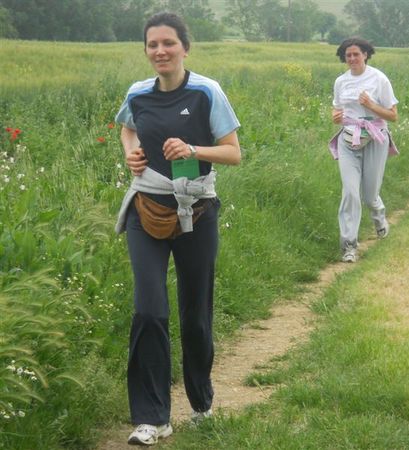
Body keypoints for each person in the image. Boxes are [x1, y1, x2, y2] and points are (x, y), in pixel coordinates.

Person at [114, 12, 241, 446]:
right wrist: (132, 154)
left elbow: (233, 153)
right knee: (149, 309)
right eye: (152, 45)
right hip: (145, 208)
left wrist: (192, 148)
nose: (160, 51)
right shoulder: (138, 93)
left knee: (196, 315)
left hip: (197, 211)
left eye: (168, 43)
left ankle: (201, 401)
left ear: (185, 47)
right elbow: (128, 128)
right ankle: (152, 418)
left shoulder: (207, 91)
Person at [328, 37, 399, 263]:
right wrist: (336, 117)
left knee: (369, 195)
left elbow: (393, 115)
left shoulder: (379, 79)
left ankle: (378, 216)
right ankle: (349, 245)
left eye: (356, 54)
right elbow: (337, 112)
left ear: (366, 54)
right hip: (349, 138)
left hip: (376, 137)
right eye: (348, 55)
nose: (352, 59)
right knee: (350, 192)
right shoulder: (341, 82)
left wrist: (371, 106)